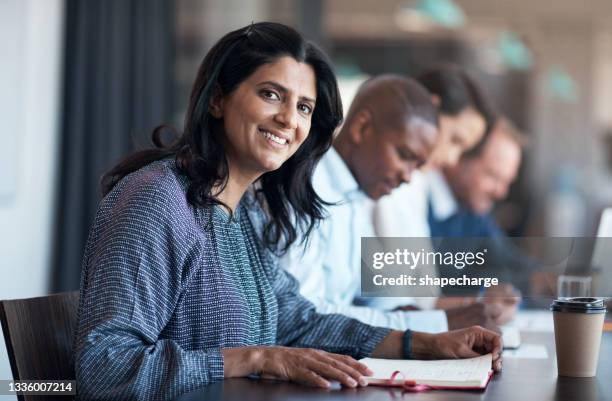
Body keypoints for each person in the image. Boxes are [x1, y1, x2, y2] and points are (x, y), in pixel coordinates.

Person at [73, 22, 502, 400]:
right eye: (270, 94)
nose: (288, 119)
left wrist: (428, 344)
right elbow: (104, 367)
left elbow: (298, 321)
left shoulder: (242, 213)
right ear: (218, 99)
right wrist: (254, 358)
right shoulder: (157, 201)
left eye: (303, 107)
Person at [280, 74, 501, 333]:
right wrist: (435, 323)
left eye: (417, 165)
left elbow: (383, 297)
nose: (408, 176)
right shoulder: (306, 185)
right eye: (404, 156)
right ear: (362, 128)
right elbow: (307, 314)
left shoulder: (358, 195)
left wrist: (444, 323)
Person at [429, 117, 533, 300]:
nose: (501, 193)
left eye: (507, 182)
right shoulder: (418, 199)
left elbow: (514, 262)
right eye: (493, 176)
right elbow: (438, 286)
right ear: (459, 156)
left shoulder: (473, 212)